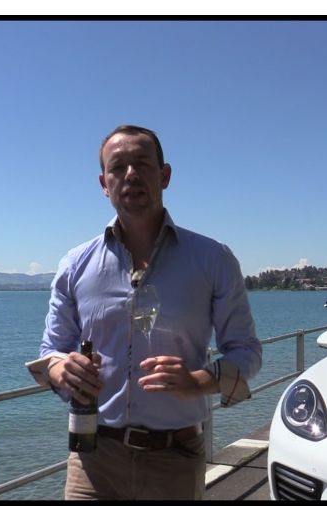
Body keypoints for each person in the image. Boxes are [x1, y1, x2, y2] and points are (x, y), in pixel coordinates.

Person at [32, 124, 262, 500]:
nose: (131, 174)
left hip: (174, 457)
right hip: (92, 457)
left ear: (165, 175)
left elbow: (246, 352)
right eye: (117, 167)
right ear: (104, 183)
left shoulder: (213, 260)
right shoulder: (75, 265)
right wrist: (62, 369)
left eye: (142, 163)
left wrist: (199, 381)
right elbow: (50, 352)